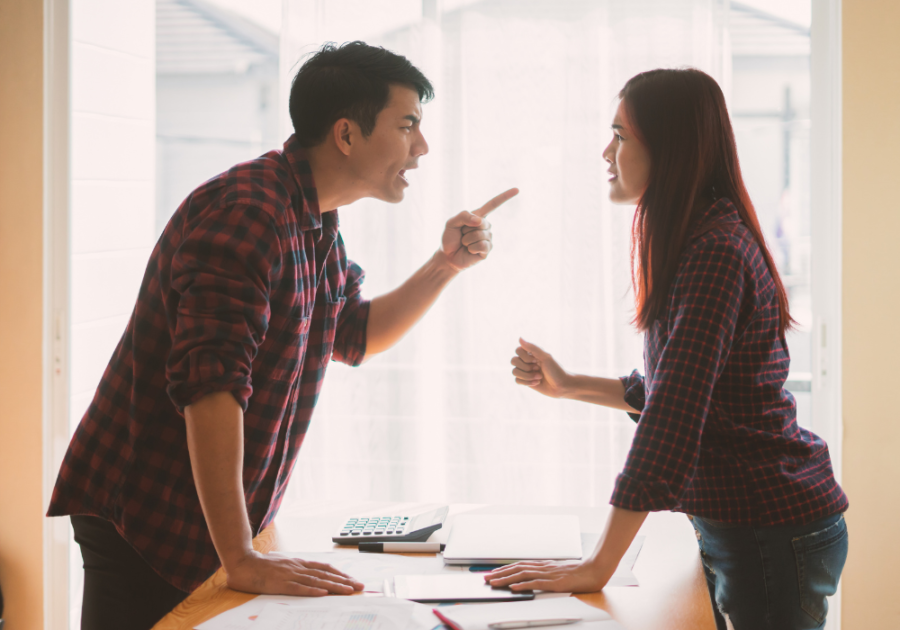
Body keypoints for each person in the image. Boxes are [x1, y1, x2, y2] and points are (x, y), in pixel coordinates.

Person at [48, 41, 517, 629]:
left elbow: (354, 335)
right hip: (147, 512)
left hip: (211, 522)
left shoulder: (314, 218)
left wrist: (444, 265)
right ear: (346, 134)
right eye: (407, 126)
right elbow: (209, 385)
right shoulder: (248, 212)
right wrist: (241, 555)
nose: (421, 148)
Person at [488, 68, 848, 630]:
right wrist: (567, 385)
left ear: (671, 149)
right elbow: (671, 390)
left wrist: (596, 566)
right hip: (744, 522)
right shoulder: (698, 239)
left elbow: (674, 418)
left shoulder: (716, 252)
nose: (606, 152)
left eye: (621, 136)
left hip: (769, 527)